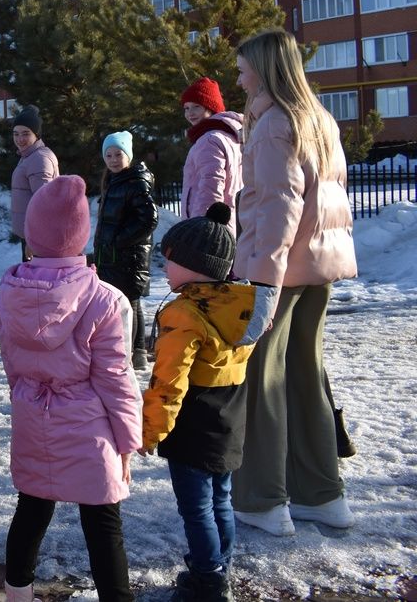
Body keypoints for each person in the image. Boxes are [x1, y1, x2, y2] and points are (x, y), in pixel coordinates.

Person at [231, 29, 358, 536]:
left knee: (262, 383)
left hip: (279, 272)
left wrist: (262, 280)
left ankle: (263, 499)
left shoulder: (274, 123)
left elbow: (277, 207)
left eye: (243, 69)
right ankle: (322, 494)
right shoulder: (319, 119)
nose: (238, 78)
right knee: (306, 377)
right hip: (317, 268)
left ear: (263, 68)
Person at [0, 175, 141, 602]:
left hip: (32, 412)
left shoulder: (10, 292)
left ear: (32, 235)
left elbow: (10, 359)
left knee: (32, 508)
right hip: (88, 427)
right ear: (82, 236)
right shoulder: (106, 299)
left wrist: (21, 396)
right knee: (103, 523)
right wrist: (128, 441)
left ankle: (17, 592)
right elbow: (117, 378)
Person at [142, 203, 257, 602]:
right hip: (227, 421)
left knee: (196, 508)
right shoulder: (239, 307)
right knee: (221, 498)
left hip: (191, 426)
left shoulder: (184, 315)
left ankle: (208, 579)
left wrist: (148, 430)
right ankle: (220, 563)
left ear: (194, 266)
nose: (165, 268)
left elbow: (168, 384)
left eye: (170, 261)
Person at [93, 130, 158, 370]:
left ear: (128, 156)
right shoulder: (112, 182)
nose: (112, 159)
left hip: (129, 256)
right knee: (119, 302)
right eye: (108, 155)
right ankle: (123, 347)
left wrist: (120, 240)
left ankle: (137, 350)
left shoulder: (136, 182)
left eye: (118, 154)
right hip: (111, 256)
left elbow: (149, 218)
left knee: (132, 302)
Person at [179, 78, 244, 231]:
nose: (190, 113)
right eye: (186, 108)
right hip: (231, 222)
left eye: (196, 106)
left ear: (210, 107)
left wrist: (199, 229)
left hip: (208, 228)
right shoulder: (230, 136)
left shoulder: (209, 140)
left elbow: (211, 188)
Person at [9, 105, 59, 262]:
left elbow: (44, 204)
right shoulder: (29, 156)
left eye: (25, 134)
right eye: (16, 134)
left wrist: (34, 240)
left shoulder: (39, 159)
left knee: (38, 285)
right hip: (31, 234)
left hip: (38, 238)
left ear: (36, 134)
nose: (20, 139)